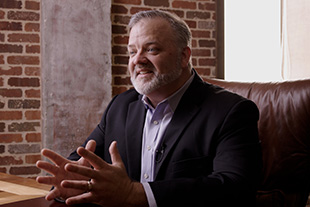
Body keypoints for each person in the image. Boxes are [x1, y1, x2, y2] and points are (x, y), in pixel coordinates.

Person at [36, 10, 262, 207]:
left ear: (184, 56)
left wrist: (133, 194)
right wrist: (74, 180)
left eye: (151, 50)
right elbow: (84, 159)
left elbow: (234, 188)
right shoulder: (121, 106)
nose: (138, 60)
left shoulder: (232, 111)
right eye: (132, 52)